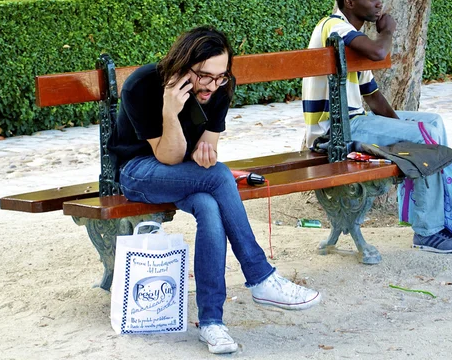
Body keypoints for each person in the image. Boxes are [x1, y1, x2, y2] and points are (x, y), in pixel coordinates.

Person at [109, 26, 321, 354]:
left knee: (210, 206)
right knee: (220, 178)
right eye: (205, 76)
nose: (213, 85)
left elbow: (207, 148)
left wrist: (206, 153)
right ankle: (260, 275)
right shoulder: (142, 85)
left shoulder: (220, 87)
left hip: (187, 175)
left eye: (221, 76)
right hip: (138, 171)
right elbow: (168, 155)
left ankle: (212, 323)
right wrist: (170, 111)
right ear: (182, 67)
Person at [302, 0, 452, 254]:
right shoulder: (335, 27)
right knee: (425, 134)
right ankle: (427, 232)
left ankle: (438, 219)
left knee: (432, 123)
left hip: (356, 121)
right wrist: (388, 30)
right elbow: (381, 52)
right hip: (336, 130)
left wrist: (404, 135)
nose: (379, 3)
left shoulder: (353, 38)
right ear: (349, 3)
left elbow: (374, 98)